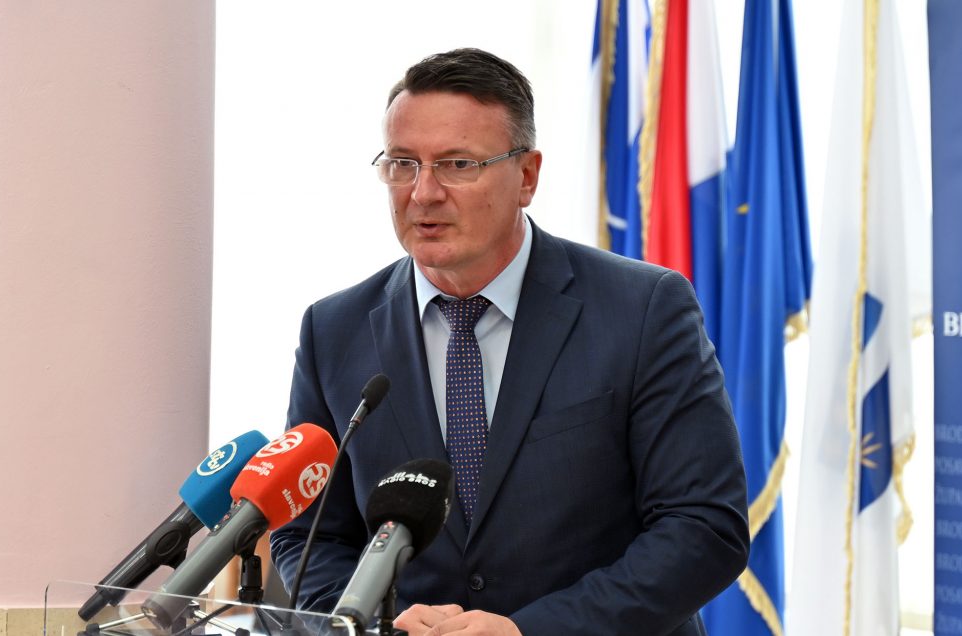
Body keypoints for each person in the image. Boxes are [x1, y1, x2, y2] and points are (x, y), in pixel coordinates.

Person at [270, 48, 749, 636]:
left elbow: (704, 527)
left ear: (527, 176)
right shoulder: (333, 330)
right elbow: (308, 536)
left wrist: (530, 631)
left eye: (457, 164)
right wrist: (368, 625)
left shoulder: (643, 309)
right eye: (402, 163)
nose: (422, 193)